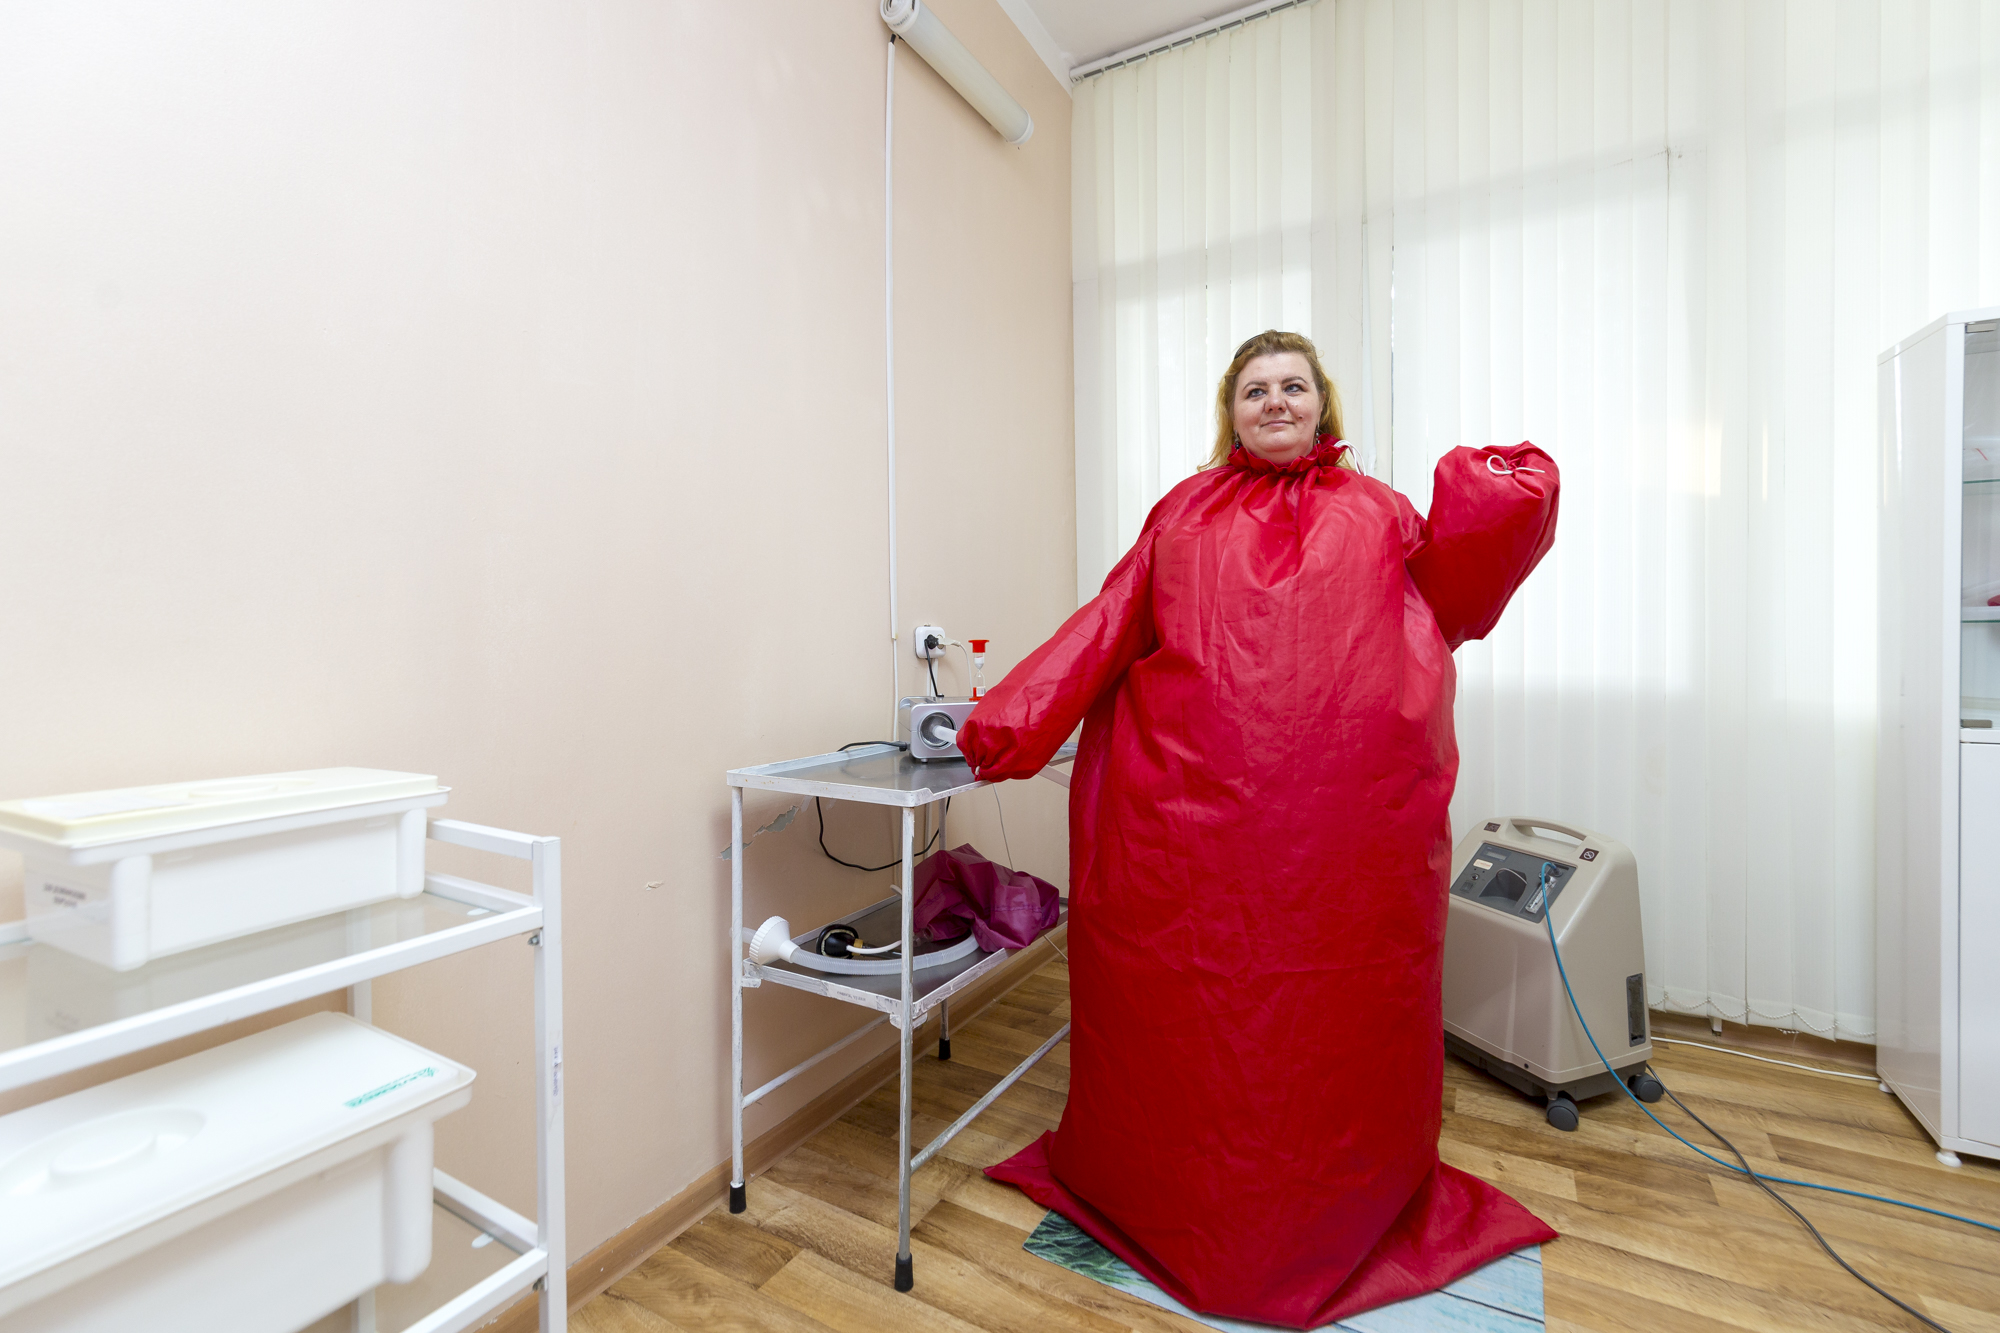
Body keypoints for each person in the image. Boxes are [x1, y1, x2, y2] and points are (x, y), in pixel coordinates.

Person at [957, 330, 1561, 1328]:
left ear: (1322, 404)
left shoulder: (1380, 516)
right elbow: (1109, 621)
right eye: (1254, 389)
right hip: (1193, 834)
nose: (1274, 401)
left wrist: (1503, 499)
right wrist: (1010, 721)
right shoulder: (1183, 514)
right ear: (1229, 412)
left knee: (1332, 1028)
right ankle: (1181, 1199)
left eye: (1292, 385)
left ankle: (1340, 1203)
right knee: (1201, 1028)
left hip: (1346, 839)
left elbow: (1459, 594)